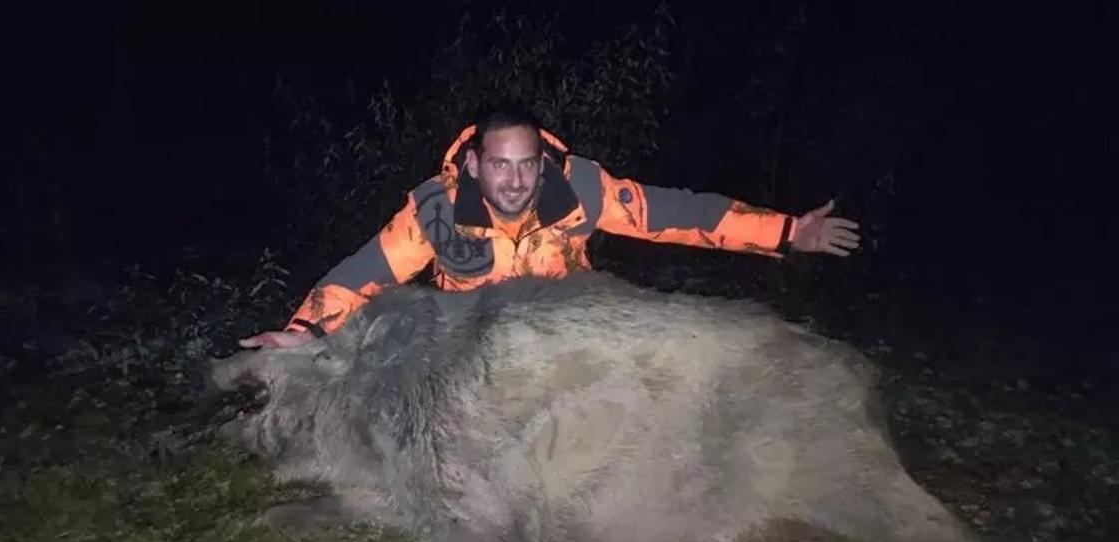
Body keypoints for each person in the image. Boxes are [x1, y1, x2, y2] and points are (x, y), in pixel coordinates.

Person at [240, 105, 861, 349]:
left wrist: (787, 233)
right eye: (500, 165)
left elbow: (681, 215)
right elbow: (363, 274)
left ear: (543, 163)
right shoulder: (434, 212)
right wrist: (300, 332)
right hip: (474, 343)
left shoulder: (581, 189)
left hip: (570, 328)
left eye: (527, 165)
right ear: (474, 164)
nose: (515, 181)